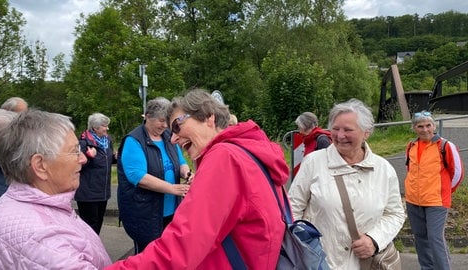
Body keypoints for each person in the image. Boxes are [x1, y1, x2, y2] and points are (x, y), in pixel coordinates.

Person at [106, 89, 289, 269]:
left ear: (209, 117)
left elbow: (180, 248)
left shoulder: (224, 158)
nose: (173, 138)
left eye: (177, 126)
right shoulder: (248, 151)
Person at [288, 98, 405, 269]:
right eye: (335, 129)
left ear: (367, 132)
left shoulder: (383, 170)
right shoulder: (313, 162)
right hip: (320, 264)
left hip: (364, 264)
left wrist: (374, 240)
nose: (340, 136)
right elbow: (292, 208)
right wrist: (306, 249)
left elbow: (395, 213)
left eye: (348, 130)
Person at [0, 110, 111, 269]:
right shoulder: (45, 241)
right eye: (74, 151)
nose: (83, 158)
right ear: (40, 165)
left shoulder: (15, 201)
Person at [117, 97, 192, 254]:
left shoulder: (167, 136)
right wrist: (171, 188)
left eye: (167, 122)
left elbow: (181, 161)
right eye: (161, 121)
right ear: (148, 117)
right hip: (145, 214)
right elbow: (138, 176)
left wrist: (187, 173)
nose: (165, 125)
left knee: (168, 255)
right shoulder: (134, 140)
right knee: (148, 256)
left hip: (170, 212)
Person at [404, 110, 464, 270]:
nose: (425, 129)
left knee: (435, 238)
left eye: (428, 125)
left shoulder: (445, 145)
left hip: (436, 201)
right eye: (420, 126)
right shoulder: (411, 146)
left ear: (434, 125)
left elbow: (457, 173)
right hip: (413, 200)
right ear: (414, 128)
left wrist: (444, 191)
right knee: (420, 238)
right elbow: (411, 170)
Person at [74, 113, 117, 234]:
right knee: (89, 226)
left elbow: (106, 160)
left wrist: (115, 158)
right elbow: (74, 165)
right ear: (95, 128)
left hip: (102, 192)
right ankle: (86, 250)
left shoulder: (107, 140)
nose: (107, 128)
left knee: (98, 223)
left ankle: (94, 249)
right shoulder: (83, 143)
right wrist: (88, 156)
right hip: (87, 193)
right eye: (104, 126)